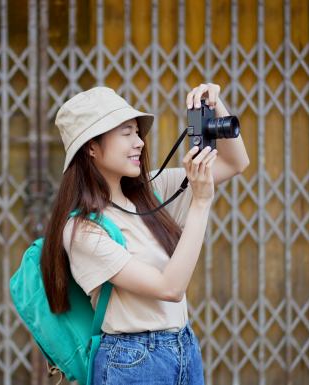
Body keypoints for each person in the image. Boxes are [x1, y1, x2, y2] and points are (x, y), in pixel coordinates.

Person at [41, 84, 249, 385]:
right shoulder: (83, 229)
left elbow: (235, 163)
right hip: (132, 362)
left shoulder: (150, 191)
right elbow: (170, 288)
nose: (139, 142)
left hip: (184, 347)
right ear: (91, 147)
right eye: (126, 133)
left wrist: (216, 108)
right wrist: (201, 202)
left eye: (138, 132)